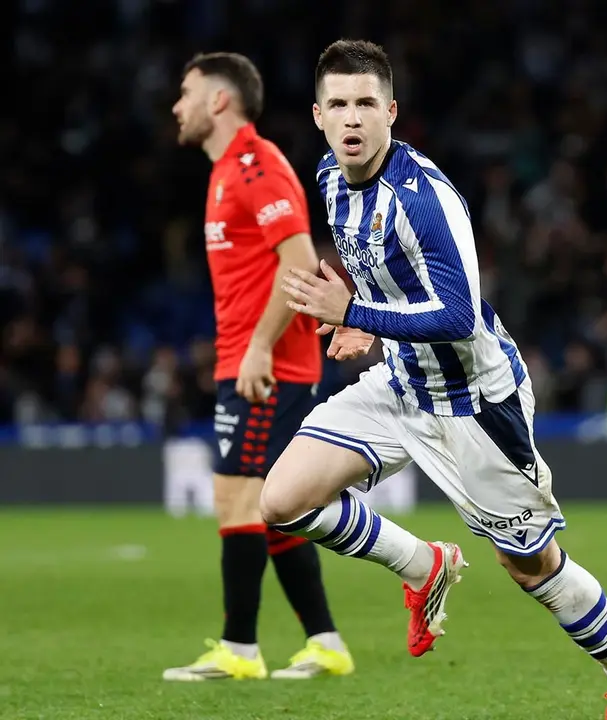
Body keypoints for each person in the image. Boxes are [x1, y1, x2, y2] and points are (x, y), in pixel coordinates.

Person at [259, 39, 607, 719]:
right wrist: (365, 323)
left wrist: (354, 311)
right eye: (339, 104)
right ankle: (423, 565)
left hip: (475, 405)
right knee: (282, 500)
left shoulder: (423, 199)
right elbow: (386, 280)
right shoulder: (331, 178)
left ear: (391, 111)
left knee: (530, 568)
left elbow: (457, 315)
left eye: (366, 103)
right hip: (399, 386)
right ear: (317, 115)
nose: (352, 118)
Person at [165, 52, 354, 681]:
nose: (177, 106)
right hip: (252, 360)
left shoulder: (255, 165)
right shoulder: (224, 173)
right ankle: (325, 642)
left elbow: (299, 263)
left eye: (186, 93)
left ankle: (239, 649)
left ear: (220, 100)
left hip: (269, 364)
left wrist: (258, 347)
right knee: (270, 506)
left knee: (238, 497)